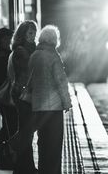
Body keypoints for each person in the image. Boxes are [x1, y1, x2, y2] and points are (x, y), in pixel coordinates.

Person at [29, 25, 72, 174]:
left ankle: (43, 170)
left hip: (38, 106)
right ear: (54, 40)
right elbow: (61, 81)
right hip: (53, 108)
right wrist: (67, 102)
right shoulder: (53, 56)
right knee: (54, 144)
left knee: (43, 142)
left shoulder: (34, 55)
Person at [9, 20, 38, 174]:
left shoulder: (32, 48)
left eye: (34, 32)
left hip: (27, 94)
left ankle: (23, 167)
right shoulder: (21, 50)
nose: (33, 36)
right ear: (22, 34)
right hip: (23, 95)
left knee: (28, 131)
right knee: (26, 131)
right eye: (30, 32)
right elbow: (28, 70)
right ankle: (24, 167)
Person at [0, 27, 17, 169]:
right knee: (10, 127)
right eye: (5, 39)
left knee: (8, 127)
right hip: (6, 98)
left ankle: (5, 158)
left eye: (10, 38)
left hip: (5, 97)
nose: (8, 41)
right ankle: (6, 159)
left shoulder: (5, 54)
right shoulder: (2, 57)